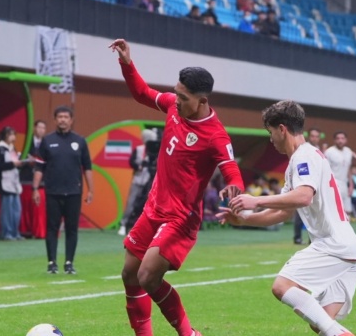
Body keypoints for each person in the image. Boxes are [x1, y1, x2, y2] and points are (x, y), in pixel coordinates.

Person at [109, 38, 244, 336]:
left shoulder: (215, 136)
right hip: (154, 207)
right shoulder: (173, 105)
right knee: (129, 274)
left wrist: (234, 187)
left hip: (180, 219)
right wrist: (127, 63)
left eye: (184, 97)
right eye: (177, 92)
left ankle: (189, 333)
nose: (176, 99)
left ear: (203, 100)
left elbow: (231, 169)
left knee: (147, 276)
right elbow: (142, 93)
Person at [217, 100, 356, 336]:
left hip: (333, 245)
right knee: (319, 324)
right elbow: (283, 212)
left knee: (282, 287)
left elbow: (304, 197)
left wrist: (256, 200)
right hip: (350, 250)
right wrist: (245, 220)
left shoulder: (303, 157)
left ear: (282, 129)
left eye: (270, 132)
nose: (271, 139)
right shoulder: (300, 160)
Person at [32, 106, 94, 274]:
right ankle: (51, 263)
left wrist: (90, 190)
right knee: (52, 228)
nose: (63, 119)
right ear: (55, 119)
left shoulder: (80, 141)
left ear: (71, 120)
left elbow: (87, 167)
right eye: (59, 117)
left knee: (72, 229)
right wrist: (35, 188)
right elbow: (39, 166)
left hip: (74, 192)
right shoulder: (47, 140)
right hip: (52, 191)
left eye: (66, 117)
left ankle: (69, 263)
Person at [118, 129, 158, 236]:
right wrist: (139, 165)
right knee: (131, 202)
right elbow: (131, 161)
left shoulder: (154, 151)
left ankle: (142, 226)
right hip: (137, 179)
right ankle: (123, 224)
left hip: (148, 180)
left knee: (147, 203)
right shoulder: (139, 149)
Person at [0, 126, 29, 240]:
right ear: (5, 135)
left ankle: (15, 231)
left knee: (17, 209)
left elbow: (15, 163)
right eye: (11, 134)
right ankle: (6, 232)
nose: (13, 137)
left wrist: (22, 164)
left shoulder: (12, 148)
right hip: (4, 182)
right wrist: (14, 164)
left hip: (14, 182)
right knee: (7, 210)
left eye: (14, 134)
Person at [325, 131, 356, 222]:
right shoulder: (329, 152)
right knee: (335, 211)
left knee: (347, 211)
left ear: (346, 140)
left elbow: (349, 169)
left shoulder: (348, 151)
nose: (340, 141)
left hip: (344, 184)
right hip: (333, 183)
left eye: (342, 138)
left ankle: (345, 235)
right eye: (338, 138)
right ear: (334, 140)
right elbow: (325, 171)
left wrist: (351, 185)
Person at [19, 120, 47, 239]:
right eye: (39, 127)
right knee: (25, 207)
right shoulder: (26, 141)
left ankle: (39, 231)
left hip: (42, 181)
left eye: (43, 128)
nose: (41, 130)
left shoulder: (47, 143)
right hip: (25, 178)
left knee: (39, 208)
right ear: (34, 128)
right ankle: (25, 231)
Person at [294, 127, 321, 245]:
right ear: (308, 136)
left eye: (316, 136)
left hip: (317, 187)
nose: (314, 138)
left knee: (315, 215)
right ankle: (297, 237)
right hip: (304, 184)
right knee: (300, 214)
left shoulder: (320, 151)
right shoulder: (302, 150)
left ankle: (313, 239)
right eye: (312, 136)